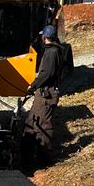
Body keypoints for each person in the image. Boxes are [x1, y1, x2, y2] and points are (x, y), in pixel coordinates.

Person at [23, 24, 63, 165]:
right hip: (45, 93)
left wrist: (32, 85)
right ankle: (29, 155)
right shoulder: (54, 50)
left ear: (44, 37)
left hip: (47, 95)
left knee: (43, 125)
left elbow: (46, 73)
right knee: (32, 122)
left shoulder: (51, 53)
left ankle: (43, 158)